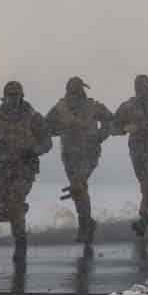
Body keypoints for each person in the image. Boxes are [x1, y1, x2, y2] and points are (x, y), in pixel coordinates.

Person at [0, 81, 52, 259]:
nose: (13, 99)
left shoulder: (33, 116)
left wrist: (34, 151)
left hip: (26, 168)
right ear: (4, 97)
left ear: (22, 96)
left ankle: (20, 243)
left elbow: (47, 142)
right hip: (5, 168)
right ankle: (21, 210)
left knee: (14, 203)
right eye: (10, 95)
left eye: (16, 95)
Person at [44, 76, 113, 244]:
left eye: (77, 90)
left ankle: (84, 226)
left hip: (89, 153)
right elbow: (46, 126)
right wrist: (61, 129)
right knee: (78, 190)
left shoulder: (92, 106)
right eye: (73, 90)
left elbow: (110, 119)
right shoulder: (60, 108)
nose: (75, 93)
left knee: (78, 185)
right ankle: (88, 223)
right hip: (69, 155)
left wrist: (100, 136)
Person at [111, 74, 148, 236]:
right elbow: (113, 126)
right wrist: (125, 128)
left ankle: (143, 220)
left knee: (147, 183)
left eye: (143, 86)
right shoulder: (128, 106)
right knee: (146, 183)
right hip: (137, 150)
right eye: (138, 86)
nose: (140, 89)